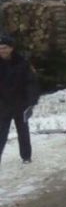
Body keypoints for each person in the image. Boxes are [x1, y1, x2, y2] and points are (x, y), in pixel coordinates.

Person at [0, 34, 39, 165]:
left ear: (11, 48)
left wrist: (32, 101)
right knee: (1, 134)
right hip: (3, 105)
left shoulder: (22, 63)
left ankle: (26, 156)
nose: (2, 50)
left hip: (20, 104)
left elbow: (31, 82)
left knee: (23, 132)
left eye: (4, 47)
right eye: (0, 48)